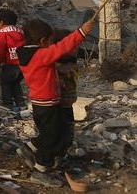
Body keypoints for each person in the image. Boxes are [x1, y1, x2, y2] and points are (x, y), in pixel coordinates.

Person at [15, 18, 95, 186]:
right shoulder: (40, 56)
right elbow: (61, 48)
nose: (51, 45)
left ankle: (29, 148)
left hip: (40, 103)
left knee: (49, 133)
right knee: (51, 137)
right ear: (43, 41)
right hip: (47, 104)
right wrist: (81, 32)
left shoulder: (26, 55)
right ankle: (41, 169)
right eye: (50, 41)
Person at [53, 29, 79, 166]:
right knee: (61, 134)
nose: (76, 49)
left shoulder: (71, 63)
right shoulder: (56, 67)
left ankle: (59, 156)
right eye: (73, 46)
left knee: (67, 133)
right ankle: (53, 157)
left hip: (67, 105)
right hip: (59, 105)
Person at [0, 8, 27, 110]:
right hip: (22, 64)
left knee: (5, 82)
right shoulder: (20, 32)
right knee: (16, 83)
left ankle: (7, 103)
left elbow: (0, 51)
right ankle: (20, 103)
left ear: (1, 22)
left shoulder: (2, 33)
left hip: (10, 64)